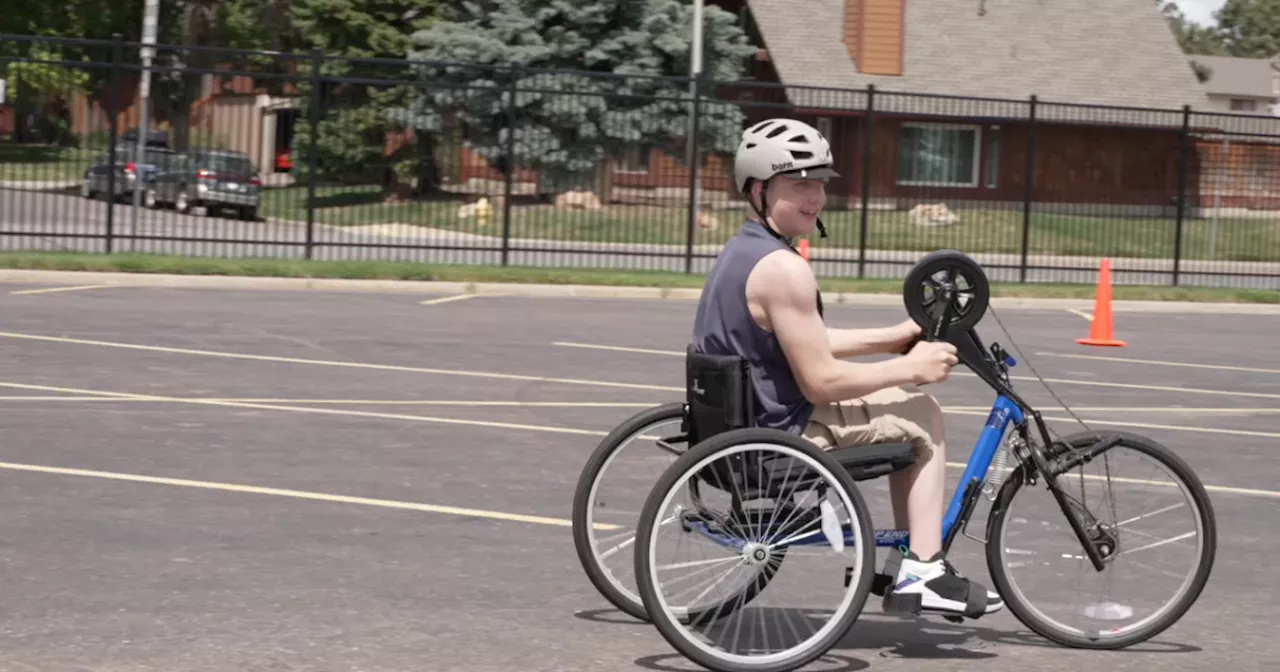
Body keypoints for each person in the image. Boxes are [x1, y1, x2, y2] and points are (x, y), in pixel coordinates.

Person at [691, 118, 1002, 619]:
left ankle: (910, 563)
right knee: (921, 412)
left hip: (746, 420)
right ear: (758, 189)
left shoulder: (743, 252)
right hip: (782, 431)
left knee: (905, 404)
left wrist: (892, 337)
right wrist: (910, 368)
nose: (814, 198)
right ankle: (924, 568)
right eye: (798, 185)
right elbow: (820, 379)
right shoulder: (784, 269)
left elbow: (802, 343)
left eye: (819, 184)